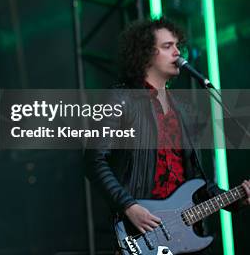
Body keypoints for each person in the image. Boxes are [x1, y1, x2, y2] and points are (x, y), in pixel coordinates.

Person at [84, 17, 249, 254]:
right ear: (145, 55)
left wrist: (238, 199)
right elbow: (93, 160)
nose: (177, 53)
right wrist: (128, 205)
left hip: (185, 236)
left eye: (177, 46)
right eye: (167, 46)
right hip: (142, 233)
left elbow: (199, 184)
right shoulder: (121, 98)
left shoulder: (183, 110)